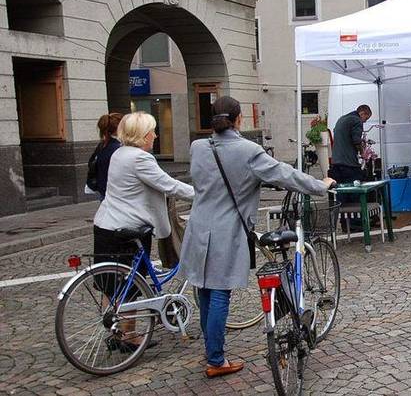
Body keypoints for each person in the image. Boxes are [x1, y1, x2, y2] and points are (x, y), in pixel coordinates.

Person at [180, 96, 334, 379]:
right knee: (220, 291)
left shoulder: (198, 147)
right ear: (239, 119)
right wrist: (319, 185)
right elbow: (284, 174)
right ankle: (215, 359)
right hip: (226, 231)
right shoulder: (247, 150)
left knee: (204, 289)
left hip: (198, 227)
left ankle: (211, 349)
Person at [92, 112, 195, 350]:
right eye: (152, 131)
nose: (155, 135)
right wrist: (204, 194)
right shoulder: (140, 158)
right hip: (128, 228)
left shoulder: (119, 153)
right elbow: (169, 185)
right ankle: (129, 337)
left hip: (106, 225)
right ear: (142, 135)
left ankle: (115, 332)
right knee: (131, 283)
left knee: (110, 283)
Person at [329, 104, 372, 198]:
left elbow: (345, 137)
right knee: (355, 191)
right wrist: (362, 152)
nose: (364, 121)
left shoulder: (341, 119)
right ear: (362, 113)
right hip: (348, 164)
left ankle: (341, 207)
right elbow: (356, 141)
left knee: (341, 191)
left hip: (336, 162)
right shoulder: (357, 120)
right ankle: (358, 207)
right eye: (366, 118)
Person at [87, 112, 123, 199]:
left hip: (104, 190)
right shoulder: (117, 148)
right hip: (114, 194)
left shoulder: (104, 145)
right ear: (119, 128)